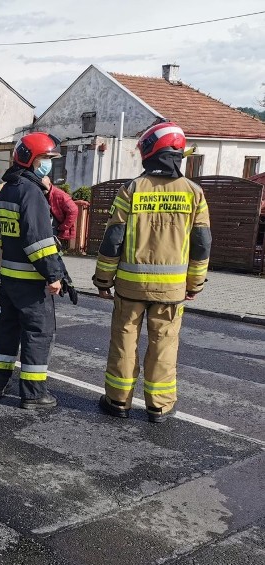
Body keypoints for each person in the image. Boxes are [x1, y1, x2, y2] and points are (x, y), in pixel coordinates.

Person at [93, 121, 211, 424]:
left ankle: (118, 401)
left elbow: (112, 239)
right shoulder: (194, 193)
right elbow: (202, 244)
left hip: (130, 288)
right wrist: (195, 284)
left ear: (149, 152)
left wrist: (103, 280)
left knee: (124, 343)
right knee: (164, 346)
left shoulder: (131, 189)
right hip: (172, 291)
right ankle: (158, 406)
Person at [0, 132, 66, 409]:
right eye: (45, 158)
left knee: (7, 330)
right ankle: (34, 394)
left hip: (9, 278)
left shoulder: (6, 189)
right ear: (30, 159)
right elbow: (40, 243)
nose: (48, 164)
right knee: (38, 332)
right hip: (32, 282)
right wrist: (53, 276)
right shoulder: (30, 193)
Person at [40, 176, 79, 246]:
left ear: (49, 184)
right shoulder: (44, 193)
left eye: (43, 186)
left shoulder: (59, 195)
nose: (42, 188)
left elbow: (73, 210)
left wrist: (63, 227)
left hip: (56, 228)